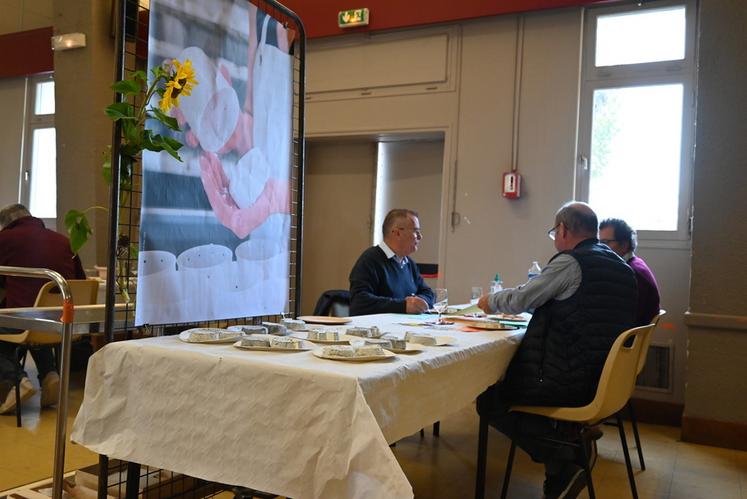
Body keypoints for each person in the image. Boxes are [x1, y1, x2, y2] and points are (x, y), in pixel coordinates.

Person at [476, 201, 637, 499]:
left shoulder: (571, 263)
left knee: (489, 398)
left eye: (554, 232)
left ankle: (563, 458)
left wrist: (489, 301)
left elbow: (522, 299)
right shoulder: (622, 267)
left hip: (569, 380)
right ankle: (566, 458)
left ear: (563, 230)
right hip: (604, 380)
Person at [0, 203, 86, 415]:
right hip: (60, 322)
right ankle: (49, 375)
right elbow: (81, 281)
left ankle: (15, 381)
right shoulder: (64, 241)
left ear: (7, 224)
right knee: (36, 317)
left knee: (20, 316)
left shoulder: (5, 239)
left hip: (26, 321)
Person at [349, 209, 435, 315]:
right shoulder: (370, 260)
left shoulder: (409, 264)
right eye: (415, 231)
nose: (420, 236)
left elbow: (429, 294)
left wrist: (418, 302)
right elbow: (359, 302)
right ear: (397, 233)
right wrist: (403, 306)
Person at [599, 218, 661, 326]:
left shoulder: (632, 273)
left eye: (606, 242)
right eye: (599, 242)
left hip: (627, 334)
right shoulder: (635, 263)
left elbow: (628, 317)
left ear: (624, 244)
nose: (600, 247)